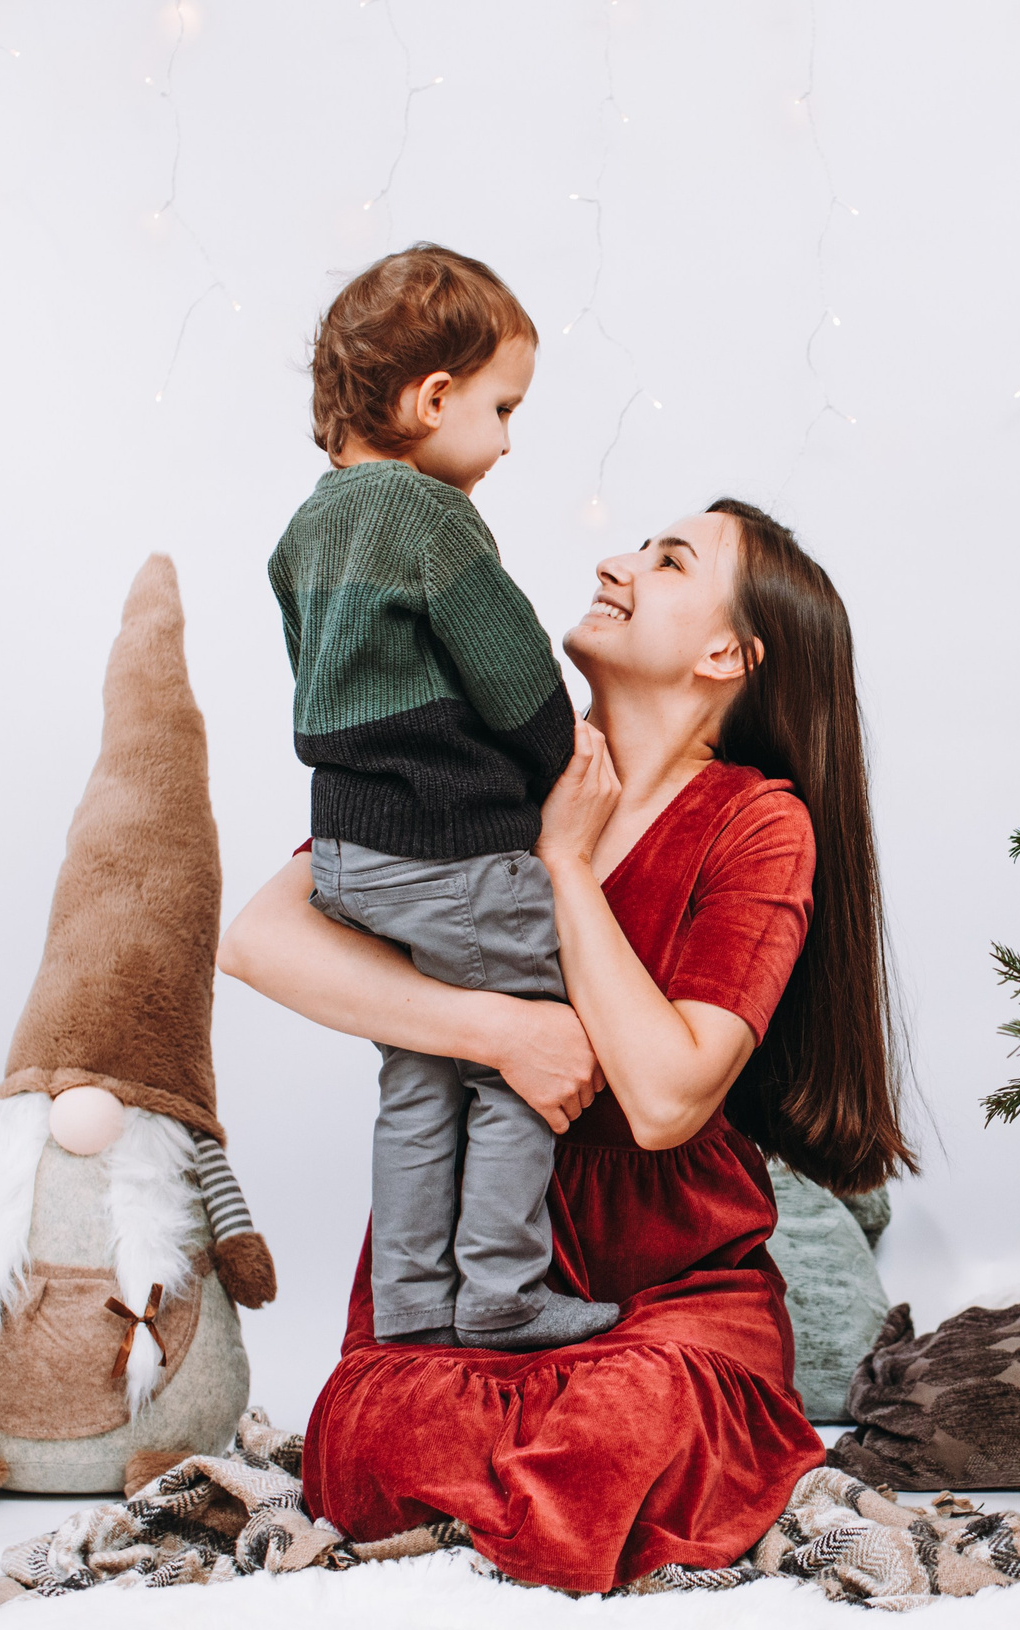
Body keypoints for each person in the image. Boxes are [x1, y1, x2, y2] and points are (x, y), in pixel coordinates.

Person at [218, 498, 912, 1591]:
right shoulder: (474, 758)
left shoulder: (757, 822)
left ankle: (531, 1491)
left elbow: (666, 1098)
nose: (615, 563)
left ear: (728, 653)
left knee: (634, 1420)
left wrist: (565, 865)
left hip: (667, 1284)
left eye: (668, 561)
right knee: (363, 1443)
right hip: (464, 1268)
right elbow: (258, 937)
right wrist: (500, 1030)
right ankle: (533, 1499)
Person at [270, 242, 608, 1352]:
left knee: (417, 1075)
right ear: (432, 398)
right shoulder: (429, 517)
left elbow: (315, 677)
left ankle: (413, 1301)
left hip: (351, 855)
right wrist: (564, 757)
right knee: (519, 1055)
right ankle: (503, 1289)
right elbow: (511, 672)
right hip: (453, 852)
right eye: (502, 409)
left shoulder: (303, 532)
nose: (507, 440)